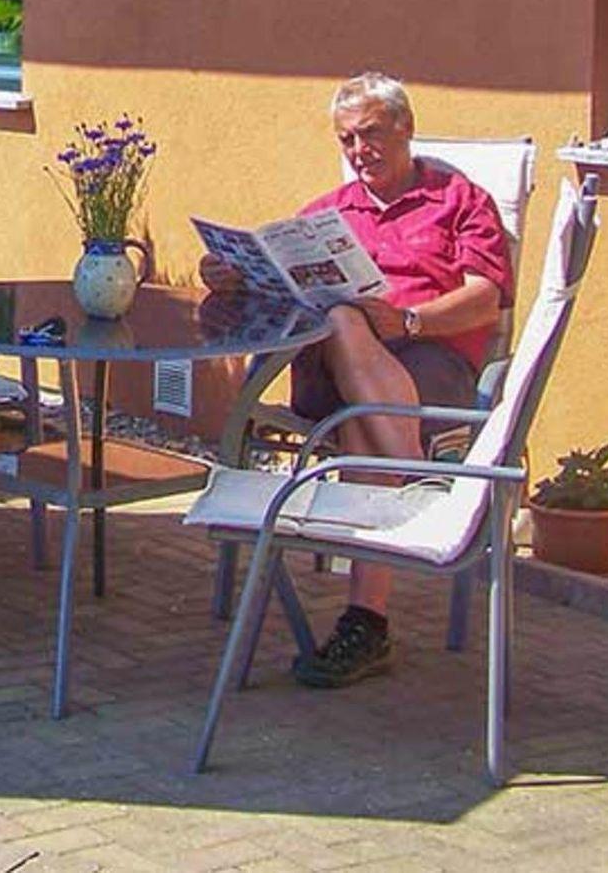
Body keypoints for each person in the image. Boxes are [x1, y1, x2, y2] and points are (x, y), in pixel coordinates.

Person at [200, 71, 512, 689]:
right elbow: (282, 289)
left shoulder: (460, 200)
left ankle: (365, 623)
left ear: (406, 127)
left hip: (428, 364)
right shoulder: (327, 212)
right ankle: (413, 476)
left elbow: (486, 298)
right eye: (346, 140)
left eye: (370, 134)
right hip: (332, 376)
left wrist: (411, 320)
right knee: (343, 319)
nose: (359, 151)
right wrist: (232, 275)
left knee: (362, 426)